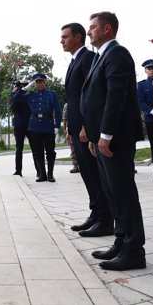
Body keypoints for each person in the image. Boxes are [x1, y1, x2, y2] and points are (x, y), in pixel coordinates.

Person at [80, 11, 146, 271]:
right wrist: (93, 135)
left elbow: (115, 96)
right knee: (112, 193)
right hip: (102, 139)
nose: (89, 32)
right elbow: (95, 98)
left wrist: (105, 134)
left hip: (116, 138)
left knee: (123, 193)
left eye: (93, 27)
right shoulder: (101, 56)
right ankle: (121, 241)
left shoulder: (117, 53)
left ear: (107, 29)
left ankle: (134, 251)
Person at [61, 22, 113, 237]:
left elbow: (90, 96)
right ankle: (95, 214)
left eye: (65, 36)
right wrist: (69, 127)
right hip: (75, 127)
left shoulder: (88, 59)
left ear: (78, 37)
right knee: (87, 174)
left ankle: (105, 219)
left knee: (94, 174)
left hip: (85, 128)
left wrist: (85, 126)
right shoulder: (75, 60)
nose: (61, 40)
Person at [12, 73, 62, 182]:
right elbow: (15, 98)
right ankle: (42, 175)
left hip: (48, 125)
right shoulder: (30, 95)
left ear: (45, 82)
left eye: (41, 82)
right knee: (38, 151)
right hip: (34, 126)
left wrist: (57, 126)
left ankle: (50, 174)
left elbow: (58, 111)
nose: (39, 84)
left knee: (50, 151)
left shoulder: (51, 94)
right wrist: (26, 87)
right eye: (37, 82)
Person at [10, 79, 32, 177]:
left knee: (35, 149)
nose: (23, 87)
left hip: (30, 125)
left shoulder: (30, 95)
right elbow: (13, 104)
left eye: (25, 86)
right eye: (21, 86)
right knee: (19, 149)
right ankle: (18, 170)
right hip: (19, 125)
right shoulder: (16, 97)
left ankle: (39, 171)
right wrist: (14, 92)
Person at [63, 103, 80, 173]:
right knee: (73, 148)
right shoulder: (67, 105)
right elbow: (65, 118)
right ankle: (75, 165)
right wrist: (64, 130)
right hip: (71, 129)